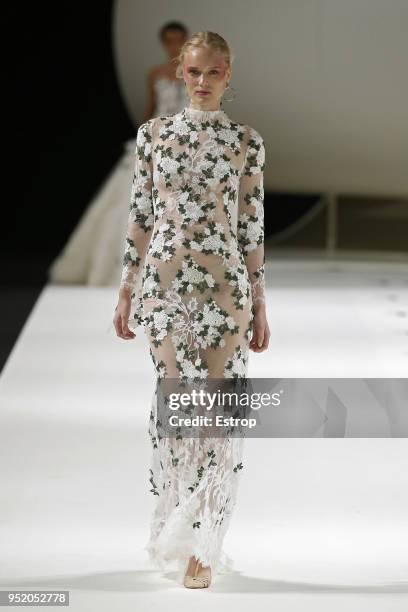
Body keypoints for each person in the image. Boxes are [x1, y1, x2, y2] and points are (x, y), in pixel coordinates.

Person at [113, 31, 270, 589]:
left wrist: (261, 303)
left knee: (215, 413)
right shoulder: (153, 136)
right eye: (195, 72)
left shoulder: (245, 142)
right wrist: (127, 287)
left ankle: (204, 539)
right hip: (163, 279)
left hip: (224, 283)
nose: (203, 83)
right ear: (180, 72)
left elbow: (250, 227)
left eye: (215, 72)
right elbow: (140, 214)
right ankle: (177, 525)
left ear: (229, 75)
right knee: (176, 409)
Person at [48, 22, 189, 286]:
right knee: (134, 201)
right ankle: (131, 267)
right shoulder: (155, 74)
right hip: (155, 141)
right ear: (163, 43)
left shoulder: (193, 74)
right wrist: (143, 137)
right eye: (169, 40)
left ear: (185, 41)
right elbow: (151, 108)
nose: (174, 45)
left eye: (178, 40)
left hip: (183, 142)